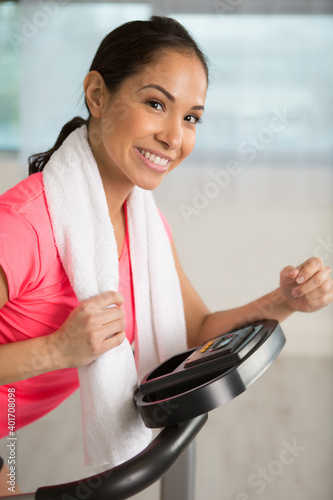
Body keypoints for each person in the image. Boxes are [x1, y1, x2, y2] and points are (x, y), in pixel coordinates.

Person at [0, 15, 332, 494]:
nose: (175, 137)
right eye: (156, 103)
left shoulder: (144, 228)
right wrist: (57, 350)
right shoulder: (23, 226)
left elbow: (194, 333)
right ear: (97, 95)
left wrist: (283, 302)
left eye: (191, 117)